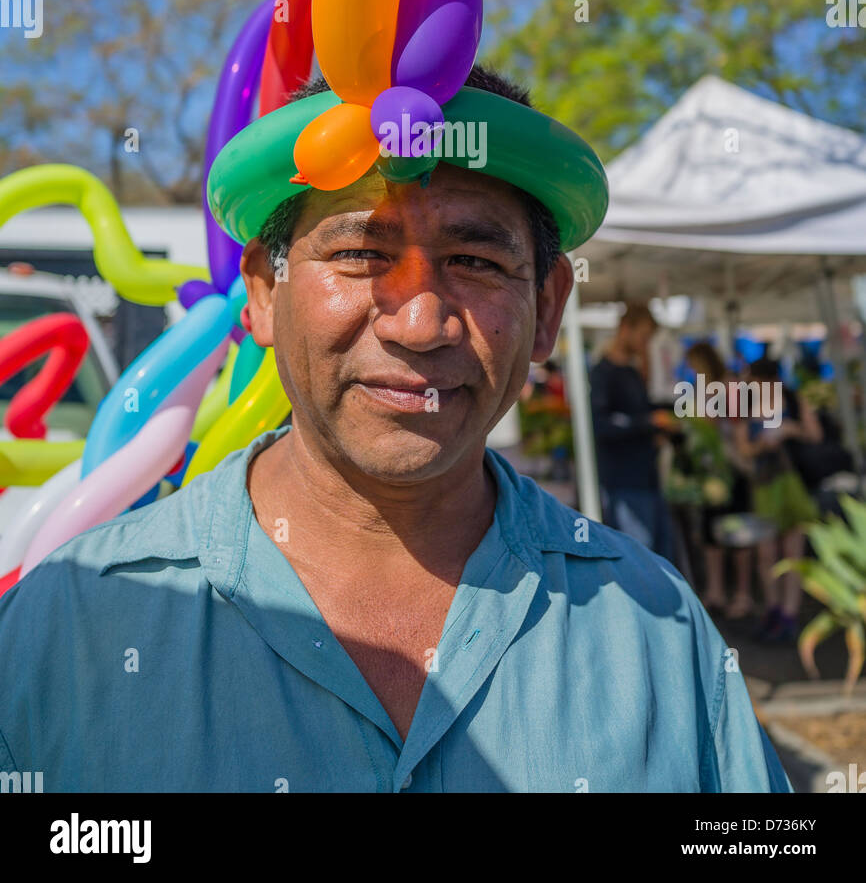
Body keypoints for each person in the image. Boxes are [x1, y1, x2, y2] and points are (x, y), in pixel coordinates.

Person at [0, 66, 789, 792]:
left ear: (548, 309)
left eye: (475, 262)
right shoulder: (68, 623)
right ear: (264, 295)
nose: (419, 323)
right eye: (358, 252)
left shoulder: (654, 628)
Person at [733, 357, 821, 644]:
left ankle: (788, 614)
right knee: (767, 554)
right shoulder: (746, 406)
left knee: (792, 553)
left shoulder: (794, 400)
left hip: (794, 484)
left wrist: (790, 429)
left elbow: (815, 435)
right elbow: (743, 447)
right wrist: (762, 445)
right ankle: (773, 610)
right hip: (763, 486)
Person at [589, 302, 678, 563]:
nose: (645, 343)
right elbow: (602, 425)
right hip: (623, 482)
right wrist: (649, 422)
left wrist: (664, 419)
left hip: (647, 478)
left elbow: (641, 410)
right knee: (639, 560)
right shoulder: (602, 372)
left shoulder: (631, 370)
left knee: (658, 557)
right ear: (626, 329)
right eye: (644, 336)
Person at [683, 341, 754, 620]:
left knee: (738, 532)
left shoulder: (729, 385)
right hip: (712, 471)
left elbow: (737, 425)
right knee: (712, 532)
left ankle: (743, 594)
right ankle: (715, 591)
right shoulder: (703, 388)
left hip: (733, 468)